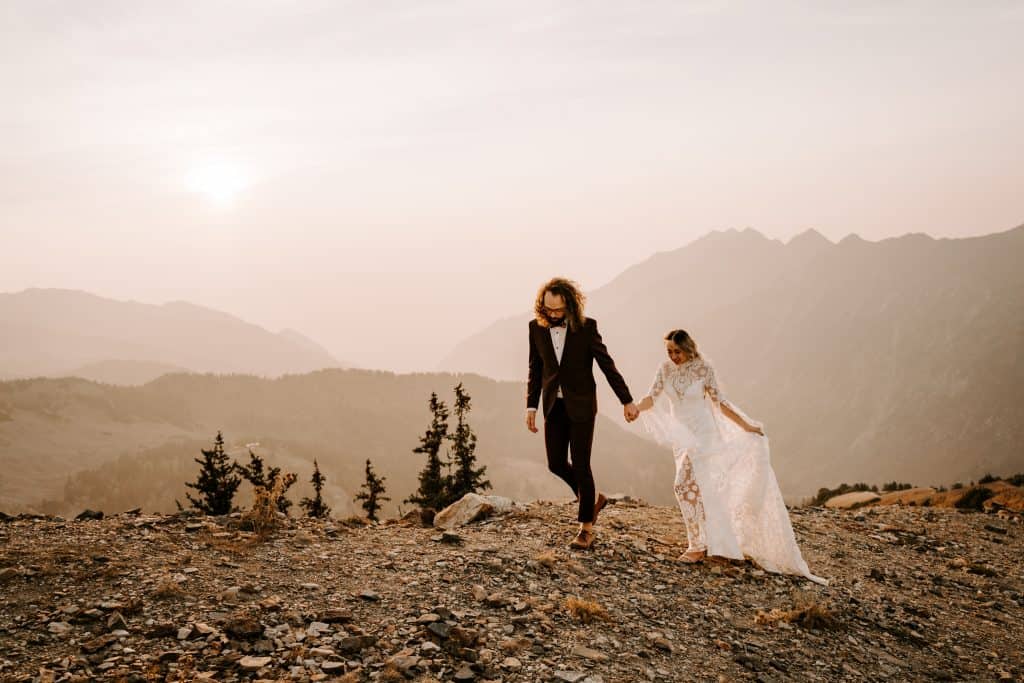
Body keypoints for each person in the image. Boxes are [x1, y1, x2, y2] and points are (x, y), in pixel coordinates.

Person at [638, 329, 826, 584]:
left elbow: (719, 402)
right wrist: (636, 408)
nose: (673, 356)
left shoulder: (703, 369)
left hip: (704, 435)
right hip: (681, 438)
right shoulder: (665, 370)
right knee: (701, 488)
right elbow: (653, 396)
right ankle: (716, 543)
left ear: (688, 348)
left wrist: (746, 426)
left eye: (677, 351)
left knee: (682, 485)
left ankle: (697, 545)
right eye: (669, 351)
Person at [526, 277, 639, 550]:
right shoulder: (535, 328)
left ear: (571, 306)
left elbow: (606, 365)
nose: (553, 315)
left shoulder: (587, 328)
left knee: (580, 463)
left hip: (582, 406)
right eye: (548, 309)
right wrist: (531, 406)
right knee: (555, 462)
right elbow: (536, 369)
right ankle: (593, 498)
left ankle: (586, 528)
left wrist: (627, 400)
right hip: (554, 405)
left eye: (558, 310)